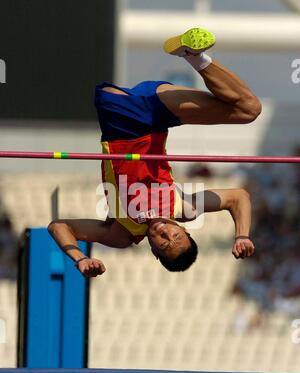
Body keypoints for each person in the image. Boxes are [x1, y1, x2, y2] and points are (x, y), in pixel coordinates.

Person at [48, 28, 260, 277]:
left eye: (164, 244)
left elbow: (58, 226)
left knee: (245, 109)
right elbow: (238, 197)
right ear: (186, 230)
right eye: (177, 236)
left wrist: (80, 258)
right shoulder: (185, 208)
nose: (166, 234)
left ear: (154, 252)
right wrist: (242, 235)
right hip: (156, 118)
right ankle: (193, 55)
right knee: (248, 109)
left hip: (122, 120)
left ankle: (192, 54)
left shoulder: (123, 233)